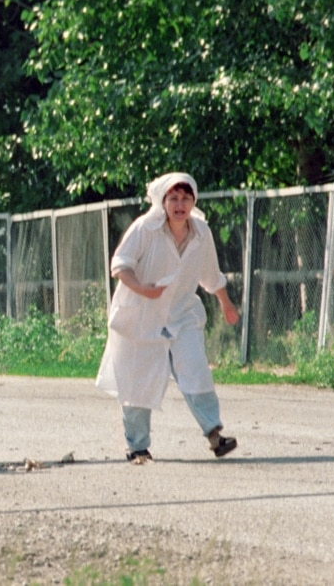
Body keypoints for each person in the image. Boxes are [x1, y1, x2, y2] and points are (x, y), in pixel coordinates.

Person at [95, 172, 241, 465]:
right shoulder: (145, 228)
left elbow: (211, 275)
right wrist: (142, 290)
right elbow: (120, 266)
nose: (180, 204)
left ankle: (215, 435)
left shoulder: (201, 233)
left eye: (186, 198)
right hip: (141, 315)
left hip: (182, 313)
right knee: (139, 380)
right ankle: (137, 447)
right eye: (173, 198)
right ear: (163, 201)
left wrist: (226, 304)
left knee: (195, 369)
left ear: (193, 201)